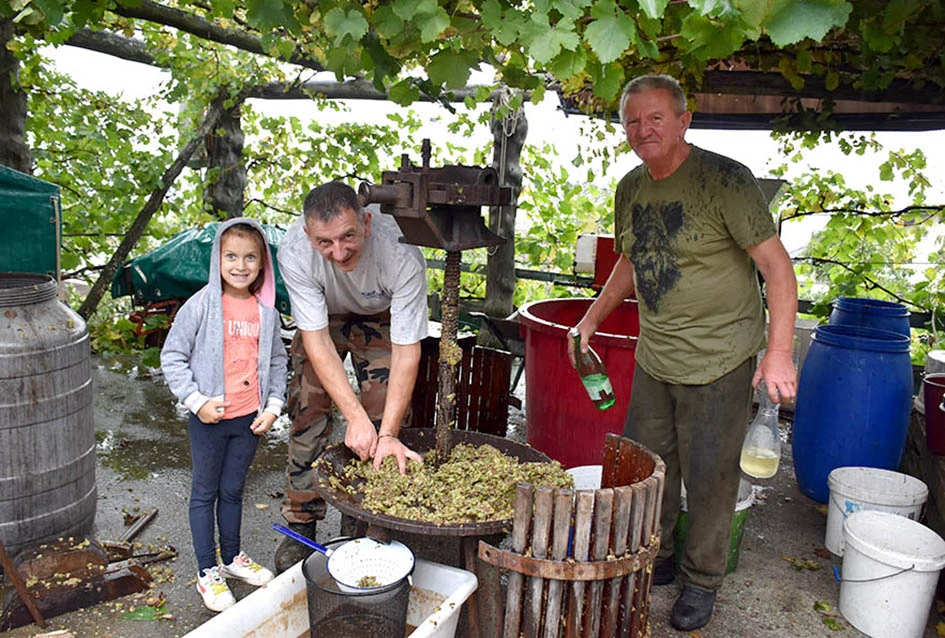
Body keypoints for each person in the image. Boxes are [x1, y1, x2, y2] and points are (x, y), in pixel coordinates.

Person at [571, 74, 798, 631]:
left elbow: (777, 268)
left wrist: (779, 353)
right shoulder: (631, 187)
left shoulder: (725, 180)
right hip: (657, 357)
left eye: (655, 118)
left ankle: (703, 580)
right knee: (648, 469)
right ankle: (662, 558)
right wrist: (591, 319)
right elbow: (630, 258)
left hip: (722, 359)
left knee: (712, 477)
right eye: (632, 120)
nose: (643, 130)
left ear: (682, 121)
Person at [274, 180, 428, 572]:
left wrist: (384, 431)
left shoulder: (402, 253)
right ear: (308, 235)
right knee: (308, 410)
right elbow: (317, 340)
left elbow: (409, 349)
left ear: (367, 224)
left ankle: (368, 517)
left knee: (386, 417)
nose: (338, 252)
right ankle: (302, 521)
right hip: (323, 319)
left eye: (348, 237)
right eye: (325, 243)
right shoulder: (294, 250)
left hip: (382, 319)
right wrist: (352, 417)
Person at [161, 217, 288, 612]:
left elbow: (277, 362)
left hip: (249, 421)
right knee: (205, 493)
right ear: (217, 258)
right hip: (209, 419)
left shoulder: (266, 312)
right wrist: (197, 401)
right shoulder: (200, 305)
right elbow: (173, 357)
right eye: (231, 256)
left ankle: (231, 559)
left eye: (250, 257)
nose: (240, 265)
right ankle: (206, 571)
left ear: (262, 263)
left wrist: (273, 407)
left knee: (233, 491)